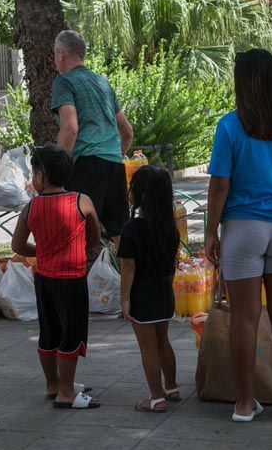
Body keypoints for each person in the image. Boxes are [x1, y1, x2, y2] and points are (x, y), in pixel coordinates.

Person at [205, 49, 272, 425]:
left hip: (242, 229)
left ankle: (245, 403)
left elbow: (220, 185)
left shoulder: (230, 126)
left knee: (245, 317)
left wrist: (210, 234)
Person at [11, 145, 102, 409]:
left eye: (33, 174)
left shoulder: (31, 207)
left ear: (42, 175)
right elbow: (94, 236)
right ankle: (67, 393)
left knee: (49, 333)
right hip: (72, 279)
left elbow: (17, 246)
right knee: (71, 334)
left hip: (44, 279)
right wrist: (80, 247)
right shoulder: (81, 201)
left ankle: (53, 386)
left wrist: (42, 251)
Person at [52, 30, 134, 247]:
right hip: (114, 165)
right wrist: (118, 154)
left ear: (61, 55)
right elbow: (127, 132)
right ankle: (129, 280)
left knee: (74, 236)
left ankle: (77, 281)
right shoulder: (102, 83)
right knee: (120, 237)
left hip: (87, 164)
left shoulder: (64, 82)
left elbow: (70, 129)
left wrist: (55, 170)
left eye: (54, 55)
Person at [118, 165, 180, 413]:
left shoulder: (132, 228)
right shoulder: (170, 229)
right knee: (163, 340)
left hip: (143, 296)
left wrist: (124, 299)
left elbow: (128, 266)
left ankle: (156, 397)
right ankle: (172, 387)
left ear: (140, 195)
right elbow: (172, 266)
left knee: (148, 346)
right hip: (165, 293)